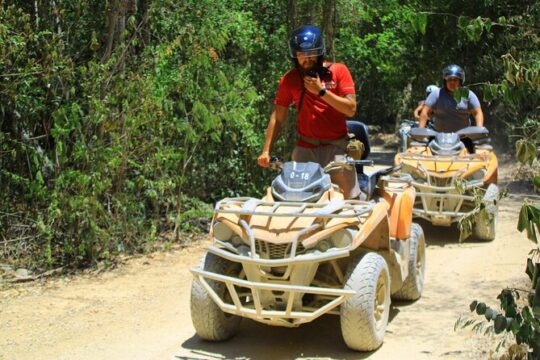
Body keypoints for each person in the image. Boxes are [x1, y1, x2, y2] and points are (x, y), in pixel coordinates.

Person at [257, 25, 360, 199]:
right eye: (301, 54)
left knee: (348, 200)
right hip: (305, 149)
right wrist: (266, 151)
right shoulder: (290, 79)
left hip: (336, 148)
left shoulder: (338, 71)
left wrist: (321, 91)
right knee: (296, 199)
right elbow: (278, 117)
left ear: (320, 53)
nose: (307, 58)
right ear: (295, 56)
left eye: (312, 53)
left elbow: (351, 109)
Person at [419, 64, 484, 132]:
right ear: (445, 81)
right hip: (438, 137)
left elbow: (477, 113)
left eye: (455, 79)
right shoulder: (436, 94)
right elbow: (425, 112)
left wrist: (479, 131)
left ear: (460, 81)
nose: (452, 82)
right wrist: (420, 131)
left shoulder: (468, 95)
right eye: (449, 79)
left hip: (464, 137)